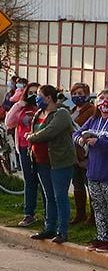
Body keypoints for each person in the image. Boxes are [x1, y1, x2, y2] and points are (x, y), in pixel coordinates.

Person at [74, 90, 108, 252]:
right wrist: (80, 139)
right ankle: (102, 236)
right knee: (98, 206)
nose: (105, 101)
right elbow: (76, 133)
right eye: (101, 98)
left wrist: (99, 143)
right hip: (93, 172)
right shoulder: (93, 120)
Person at [26, 86, 78, 243]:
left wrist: (31, 137)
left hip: (59, 161)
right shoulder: (39, 113)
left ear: (49, 97)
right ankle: (49, 228)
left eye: (39, 95)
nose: (36, 98)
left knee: (59, 196)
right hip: (41, 162)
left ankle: (62, 231)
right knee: (48, 196)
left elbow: (50, 131)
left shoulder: (62, 113)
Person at [5, 81, 41, 227]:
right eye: (30, 93)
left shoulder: (43, 108)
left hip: (41, 149)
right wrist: (20, 103)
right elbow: (9, 122)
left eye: (36, 93)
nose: (33, 96)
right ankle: (29, 214)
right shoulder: (21, 108)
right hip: (25, 149)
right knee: (29, 182)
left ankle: (48, 215)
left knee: (44, 183)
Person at [69, 82, 96, 225]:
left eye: (80, 93)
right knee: (77, 184)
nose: (77, 96)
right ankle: (80, 214)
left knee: (89, 185)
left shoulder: (91, 110)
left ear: (87, 94)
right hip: (73, 154)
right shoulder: (72, 110)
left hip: (86, 154)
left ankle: (93, 216)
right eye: (74, 93)